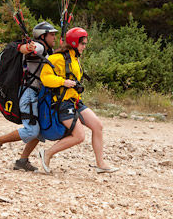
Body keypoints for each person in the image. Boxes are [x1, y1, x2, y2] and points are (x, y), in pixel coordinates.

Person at [37, 27, 118, 174]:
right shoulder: (57, 58)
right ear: (74, 43)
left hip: (75, 100)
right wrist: (63, 82)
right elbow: (45, 77)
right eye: (83, 44)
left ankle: (101, 164)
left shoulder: (75, 58)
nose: (85, 47)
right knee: (79, 136)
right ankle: (47, 153)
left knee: (98, 126)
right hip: (63, 103)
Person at [0, 21, 59, 171]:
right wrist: (27, 47)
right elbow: (27, 49)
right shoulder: (39, 47)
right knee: (32, 130)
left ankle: (22, 161)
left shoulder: (47, 51)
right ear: (43, 36)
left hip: (38, 95)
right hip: (29, 95)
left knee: (40, 130)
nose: (54, 37)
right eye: (52, 35)